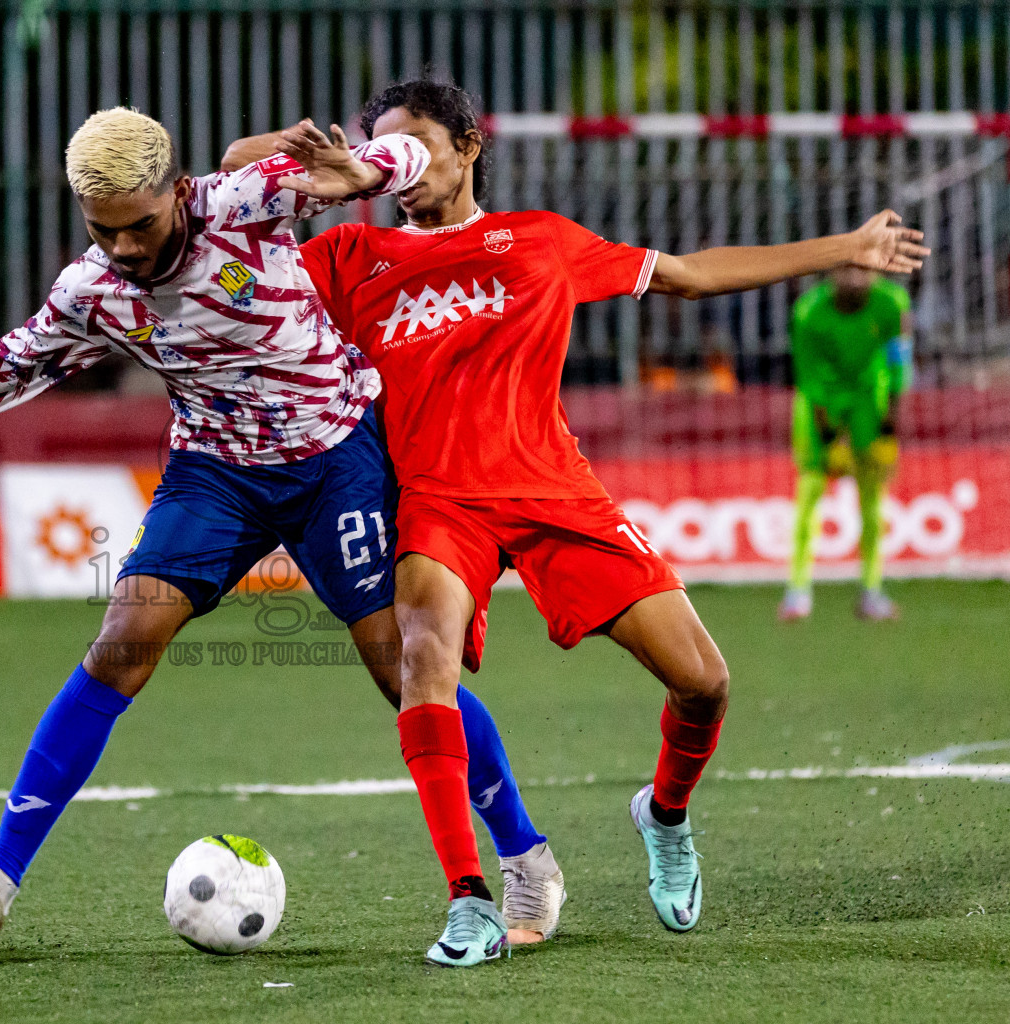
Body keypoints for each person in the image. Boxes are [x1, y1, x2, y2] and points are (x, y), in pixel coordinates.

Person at [223, 79, 927, 966]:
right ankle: (470, 901)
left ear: (469, 146)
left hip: (555, 491)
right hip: (439, 502)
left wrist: (845, 247)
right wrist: (317, 165)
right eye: (385, 152)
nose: (402, 168)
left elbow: (691, 275)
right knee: (421, 660)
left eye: (415, 146)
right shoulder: (353, 256)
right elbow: (226, 188)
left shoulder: (542, 241)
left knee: (705, 682)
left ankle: (664, 816)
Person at [0, 107, 553, 956]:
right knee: (123, 637)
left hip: (336, 457)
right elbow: (23, 356)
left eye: (141, 225)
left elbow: (407, 153)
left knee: (405, 667)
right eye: (102, 230)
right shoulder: (96, 289)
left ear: (177, 192)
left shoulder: (247, 199)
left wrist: (364, 172)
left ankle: (524, 855)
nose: (123, 248)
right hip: (217, 475)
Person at [780, 267, 912, 621]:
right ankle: (797, 591)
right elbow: (809, 378)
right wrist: (828, 434)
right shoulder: (809, 311)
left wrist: (889, 426)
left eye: (863, 271)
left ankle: (872, 590)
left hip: (870, 400)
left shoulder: (891, 303)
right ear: (831, 274)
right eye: (846, 270)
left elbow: (899, 362)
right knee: (810, 492)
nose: (855, 279)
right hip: (820, 404)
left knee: (873, 499)